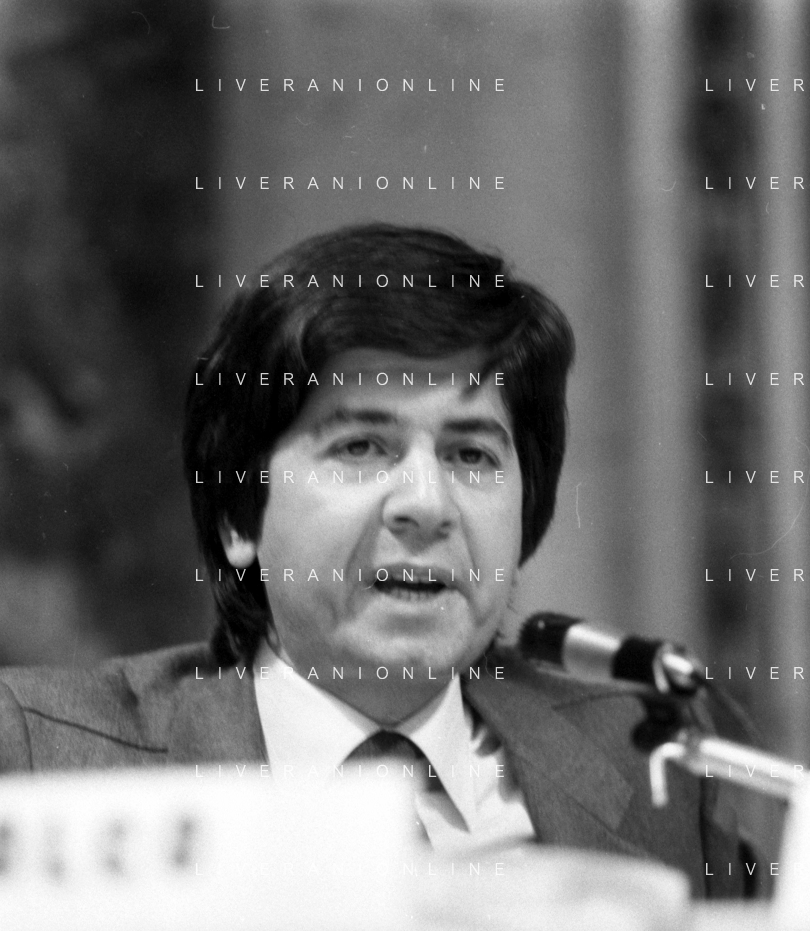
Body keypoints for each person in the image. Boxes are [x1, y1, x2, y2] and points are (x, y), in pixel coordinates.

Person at [0, 223, 749, 895]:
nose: (426, 503)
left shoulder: (665, 762)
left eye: (471, 454)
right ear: (238, 517)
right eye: (361, 447)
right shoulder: (39, 755)